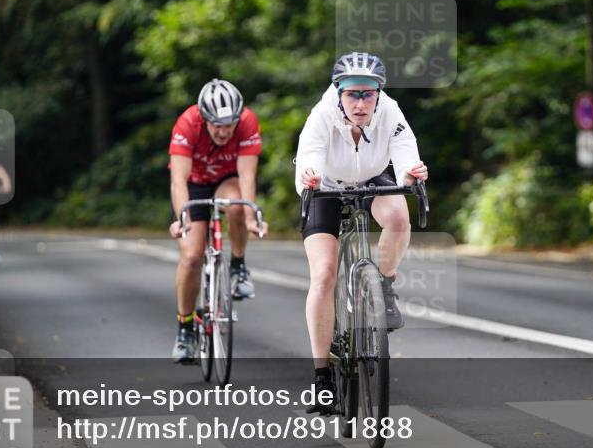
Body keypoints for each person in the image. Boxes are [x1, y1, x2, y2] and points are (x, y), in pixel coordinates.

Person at [295, 51, 428, 413]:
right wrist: (310, 175)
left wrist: (411, 175)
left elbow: (405, 155)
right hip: (326, 184)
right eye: (352, 94)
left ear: (379, 94)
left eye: (368, 94)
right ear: (339, 93)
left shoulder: (391, 112)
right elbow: (309, 153)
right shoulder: (322, 115)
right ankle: (322, 377)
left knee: (399, 217)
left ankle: (383, 287)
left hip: (371, 178)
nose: (360, 102)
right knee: (323, 276)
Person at [167, 78, 267, 363]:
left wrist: (250, 218)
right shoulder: (187, 123)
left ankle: (238, 268)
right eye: (217, 125)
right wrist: (183, 218)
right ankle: (185, 328)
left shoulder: (247, 121)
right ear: (204, 118)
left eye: (229, 124)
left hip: (227, 180)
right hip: (194, 184)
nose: (224, 131)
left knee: (236, 206)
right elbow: (178, 179)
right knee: (191, 257)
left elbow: (247, 175)